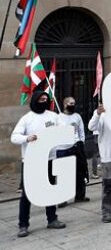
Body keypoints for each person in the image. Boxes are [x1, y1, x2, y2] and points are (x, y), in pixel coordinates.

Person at [11, 88, 69, 237]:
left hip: (49, 160)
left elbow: (64, 130)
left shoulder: (54, 116)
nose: (44, 102)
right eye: (41, 99)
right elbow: (14, 137)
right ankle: (23, 225)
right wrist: (27, 138)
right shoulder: (27, 118)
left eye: (46, 99)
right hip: (31, 162)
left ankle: (52, 219)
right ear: (35, 101)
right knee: (27, 194)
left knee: (50, 191)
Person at [56, 96, 89, 206]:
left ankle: (80, 195)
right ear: (65, 105)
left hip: (76, 146)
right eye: (70, 103)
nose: (73, 105)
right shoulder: (58, 118)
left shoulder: (77, 116)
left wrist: (81, 142)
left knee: (79, 172)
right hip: (63, 148)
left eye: (74, 103)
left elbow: (81, 131)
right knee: (63, 174)